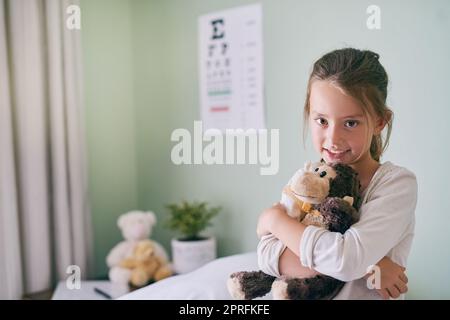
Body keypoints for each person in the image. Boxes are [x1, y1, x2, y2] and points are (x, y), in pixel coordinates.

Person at [256, 48, 417, 300]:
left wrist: (274, 221)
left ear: (379, 122)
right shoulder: (306, 179)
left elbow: (347, 260)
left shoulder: (396, 184)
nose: (332, 139)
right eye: (322, 121)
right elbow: (266, 255)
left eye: (350, 123)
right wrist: (369, 268)